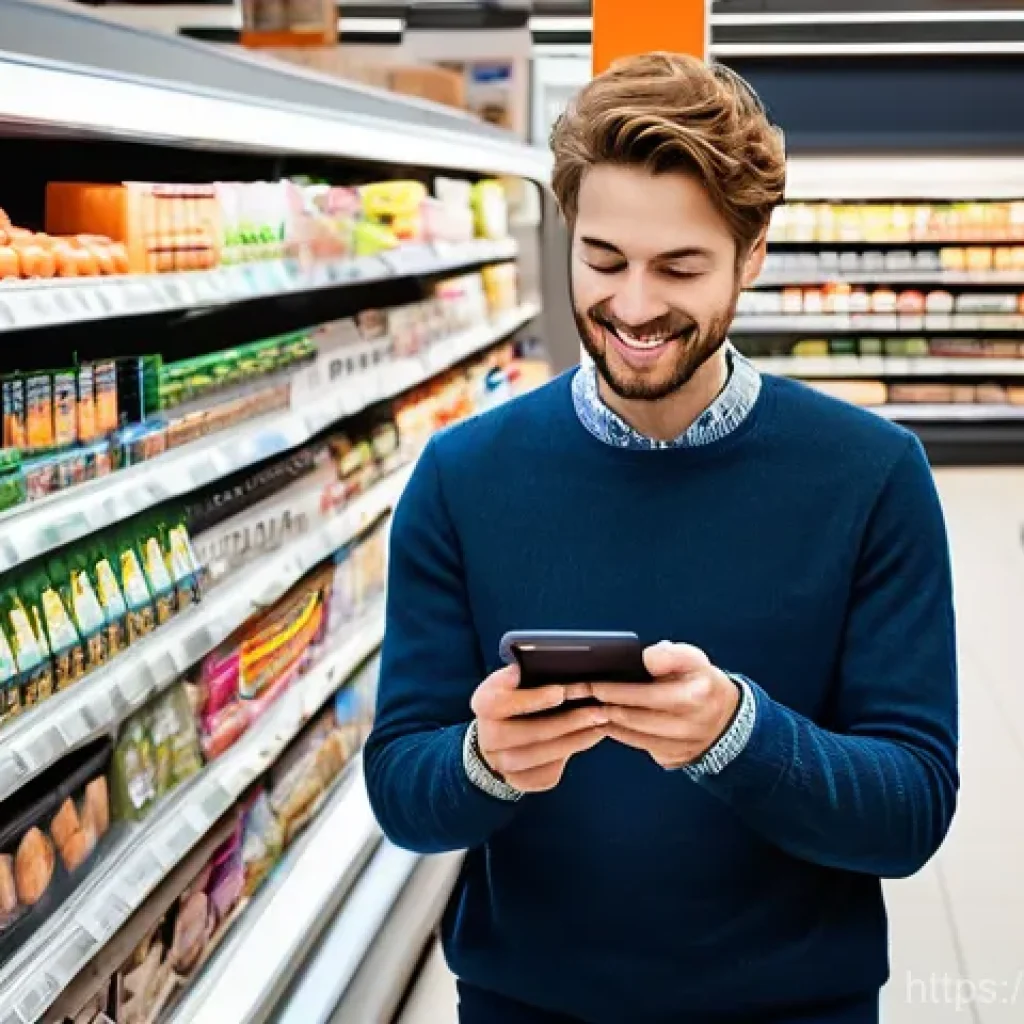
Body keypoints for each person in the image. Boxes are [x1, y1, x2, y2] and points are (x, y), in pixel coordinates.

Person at [363, 52, 959, 1024]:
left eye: (679, 267)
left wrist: (738, 735)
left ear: (751, 252)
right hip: (528, 1002)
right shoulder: (461, 477)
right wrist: (484, 759)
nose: (633, 307)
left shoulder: (870, 475)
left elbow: (909, 813)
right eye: (602, 260)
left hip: (793, 1006)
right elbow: (400, 788)